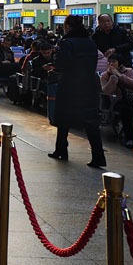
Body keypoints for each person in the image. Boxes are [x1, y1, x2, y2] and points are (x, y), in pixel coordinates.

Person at [48, 15, 106, 168]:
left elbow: (61, 64)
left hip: (70, 84)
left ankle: (61, 150)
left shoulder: (67, 43)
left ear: (68, 26)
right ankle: (98, 156)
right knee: (91, 122)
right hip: (89, 84)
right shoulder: (91, 43)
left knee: (63, 117)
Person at [100, 54, 133, 147]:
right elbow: (106, 92)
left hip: (132, 99)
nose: (111, 64)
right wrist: (113, 79)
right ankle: (129, 138)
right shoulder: (104, 75)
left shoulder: (128, 71)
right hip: (116, 102)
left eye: (114, 62)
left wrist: (120, 76)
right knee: (125, 110)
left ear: (120, 63)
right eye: (109, 62)